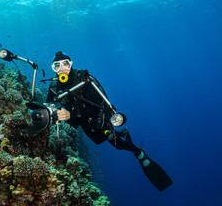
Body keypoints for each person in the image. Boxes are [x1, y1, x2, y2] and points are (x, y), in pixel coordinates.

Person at [46, 51, 173, 192]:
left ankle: (138, 152)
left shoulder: (84, 80)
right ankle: (120, 132)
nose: (62, 69)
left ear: (71, 64)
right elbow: (48, 105)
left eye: (65, 64)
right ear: (54, 69)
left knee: (116, 143)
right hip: (79, 120)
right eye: (57, 66)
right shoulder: (54, 86)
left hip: (97, 118)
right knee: (96, 139)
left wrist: (71, 114)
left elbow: (98, 107)